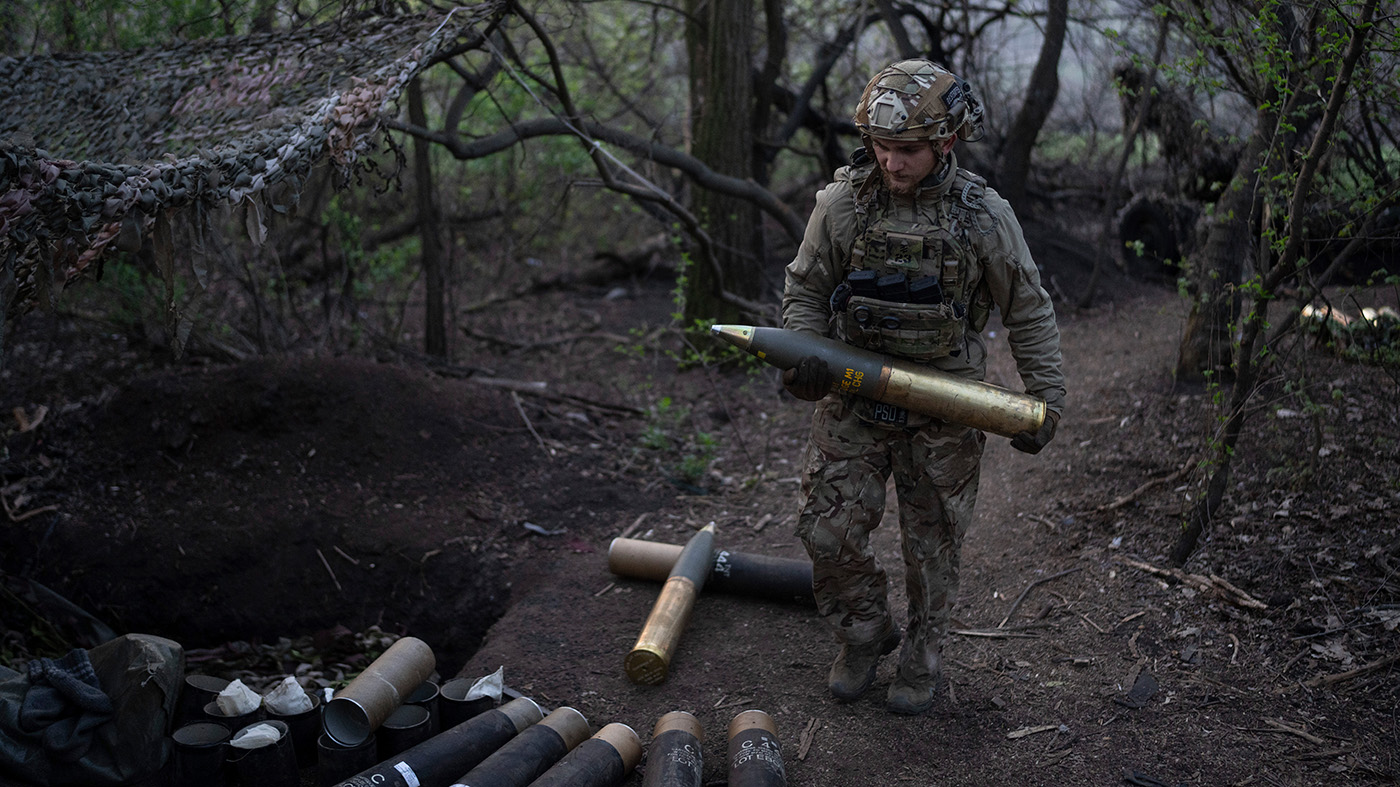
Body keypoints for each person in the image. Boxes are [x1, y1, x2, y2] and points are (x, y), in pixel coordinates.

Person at [781, 59, 1066, 715]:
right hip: (854, 396)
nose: (892, 162)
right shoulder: (842, 206)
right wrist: (807, 352)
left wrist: (1044, 402)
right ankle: (863, 632)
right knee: (826, 532)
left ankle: (923, 650)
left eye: (906, 149)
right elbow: (805, 290)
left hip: (945, 405)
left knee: (932, 548)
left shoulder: (983, 218)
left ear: (946, 143)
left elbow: (1028, 307)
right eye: (881, 148)